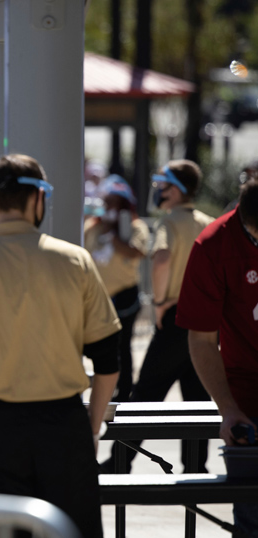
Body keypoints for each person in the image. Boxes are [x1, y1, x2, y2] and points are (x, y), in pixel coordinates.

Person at [0, 155, 121, 538]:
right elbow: (108, 360)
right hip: (64, 426)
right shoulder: (75, 262)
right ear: (38, 200)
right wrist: (91, 430)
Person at [101, 159, 216, 473]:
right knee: (196, 396)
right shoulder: (208, 222)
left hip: (175, 314)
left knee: (147, 392)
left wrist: (161, 301)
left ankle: (118, 463)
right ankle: (196, 467)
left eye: (162, 185)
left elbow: (162, 258)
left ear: (176, 191)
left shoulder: (169, 223)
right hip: (203, 320)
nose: (158, 191)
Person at [178, 170, 258, 536]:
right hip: (248, 394)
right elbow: (201, 340)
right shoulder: (214, 245)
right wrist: (227, 407)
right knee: (252, 513)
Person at [84, 176, 149, 401]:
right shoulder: (92, 227)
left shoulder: (135, 227)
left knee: (123, 347)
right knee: (100, 347)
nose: (110, 206)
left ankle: (124, 392)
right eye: (107, 201)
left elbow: (138, 252)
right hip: (98, 297)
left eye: (116, 202)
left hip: (124, 297)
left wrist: (116, 237)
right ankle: (103, 390)